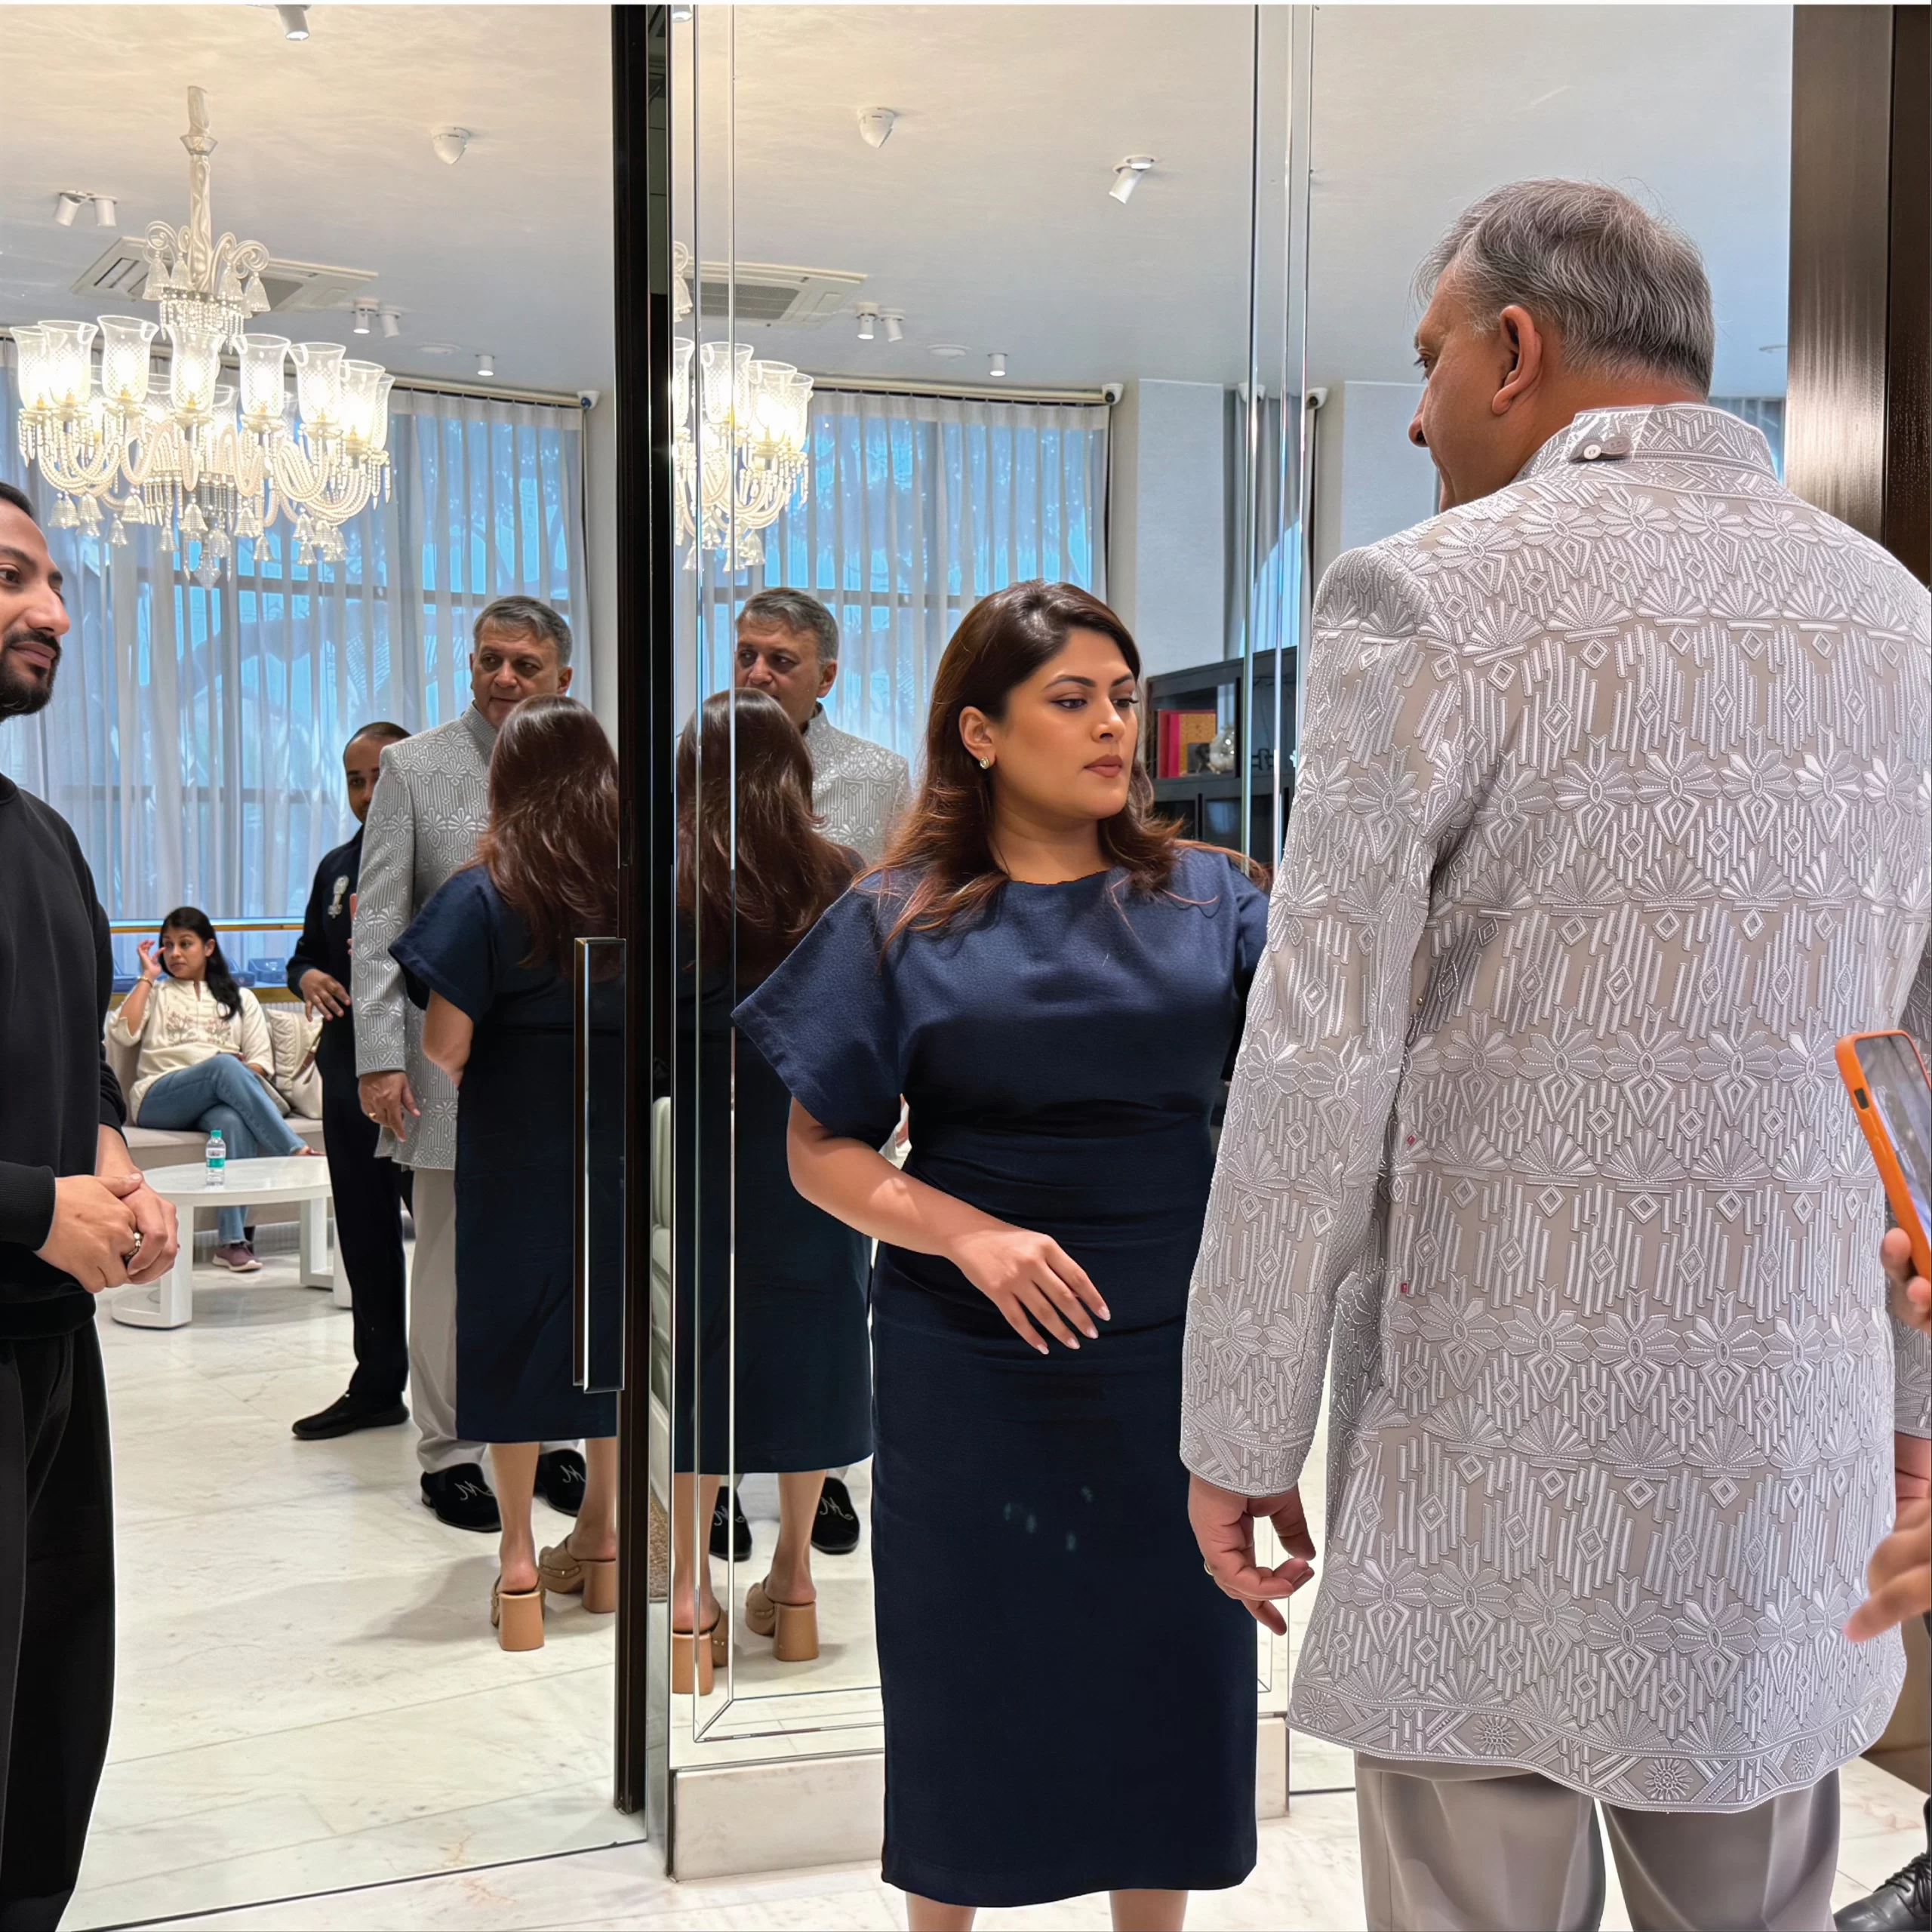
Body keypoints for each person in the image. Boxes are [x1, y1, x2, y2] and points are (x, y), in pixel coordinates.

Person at [1181, 179, 1932, 1932]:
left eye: (1426, 358)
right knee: (1749, 1898)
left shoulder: (1425, 597)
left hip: (1486, 1438)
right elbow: (1912, 1066)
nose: (1419, 412)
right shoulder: (1894, 617)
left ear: (1512, 348)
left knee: (1470, 1893)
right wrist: (1908, 1408)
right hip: (1780, 1450)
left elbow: (1314, 1054)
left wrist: (1238, 1420)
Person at [735, 581, 1266, 1930]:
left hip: (1168, 1350)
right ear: (979, 731)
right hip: (966, 1360)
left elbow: (1315, 1105)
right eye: (1071, 700)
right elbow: (819, 1151)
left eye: (1123, 699)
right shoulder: (898, 915)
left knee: (1164, 1665)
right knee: (968, 1666)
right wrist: (965, 1231)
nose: (1114, 727)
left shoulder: (1212, 899)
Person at [0, 477, 179, 1927]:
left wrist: (112, 1160)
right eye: (12, 578)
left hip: (54, 1350)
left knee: (51, 1698)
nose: (53, 612)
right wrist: (26, 1208)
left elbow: (70, 1067)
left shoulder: (45, 837)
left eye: (53, 583)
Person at [389, 697, 620, 1651]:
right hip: (618, 1150)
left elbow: (444, 1044)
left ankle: (519, 1560)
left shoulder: (486, 892)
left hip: (515, 1148)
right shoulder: (649, 887)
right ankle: (603, 1544)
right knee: (609, 1341)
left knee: (511, 1338)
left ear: (506, 780)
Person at [352, 596, 586, 1532]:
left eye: (525, 665)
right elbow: (379, 921)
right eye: (490, 659)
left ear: (563, 677)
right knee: (451, 1264)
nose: (504, 678)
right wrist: (379, 1059)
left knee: (563, 1262)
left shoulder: (584, 766)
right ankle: (449, 1452)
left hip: (562, 1073)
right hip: (445, 1069)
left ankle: (556, 1435)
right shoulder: (414, 767)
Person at [668, 691, 871, 1691]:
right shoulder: (839, 875)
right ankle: (793, 1582)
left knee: (696, 1352)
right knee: (812, 1346)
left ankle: (691, 1596)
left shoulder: (667, 880)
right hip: (815, 1137)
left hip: (699, 1141)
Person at [731, 586, 912, 1559]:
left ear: (826, 676)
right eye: (746, 653)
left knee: (829, 1281)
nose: (758, 672)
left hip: (833, 1068)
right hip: (717, 1063)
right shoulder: (698, 759)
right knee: (718, 1277)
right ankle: (719, 1473)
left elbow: (902, 925)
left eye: (781, 659)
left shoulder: (878, 777)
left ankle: (829, 1470)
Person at [286, 722, 414, 1440]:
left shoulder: (442, 853)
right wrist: (306, 975)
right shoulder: (336, 866)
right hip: (347, 1075)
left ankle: (471, 1397)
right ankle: (376, 1385)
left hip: (423, 1082)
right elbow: (305, 952)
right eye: (354, 781)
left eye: (380, 777)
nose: (367, 794)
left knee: (448, 1243)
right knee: (365, 1235)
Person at [109, 906, 318, 1270]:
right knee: (223, 1064)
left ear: (208, 948)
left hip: (214, 1100)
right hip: (159, 1098)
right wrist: (147, 977)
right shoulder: (158, 994)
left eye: (185, 944)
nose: (175, 953)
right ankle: (292, 1149)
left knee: (232, 1122)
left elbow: (260, 1064)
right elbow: (122, 1033)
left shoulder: (241, 999)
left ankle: (232, 1242)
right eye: (168, 945)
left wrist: (234, 1071)